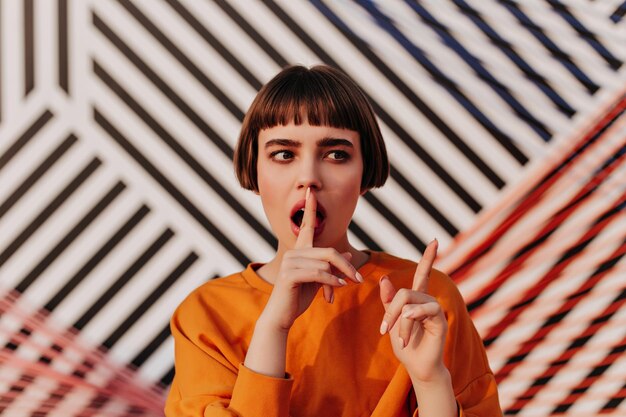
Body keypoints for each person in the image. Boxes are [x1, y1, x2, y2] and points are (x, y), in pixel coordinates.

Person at [164, 65, 502, 417]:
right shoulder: (206, 315)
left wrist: (432, 382)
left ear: (365, 171)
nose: (309, 177)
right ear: (254, 168)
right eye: (283, 154)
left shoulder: (426, 302)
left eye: (336, 154)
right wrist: (274, 326)